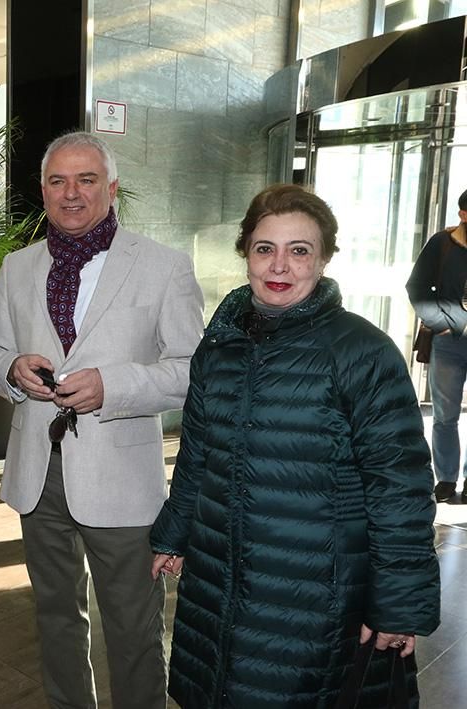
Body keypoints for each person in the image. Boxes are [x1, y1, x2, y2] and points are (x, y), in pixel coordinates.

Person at [151, 184, 440, 708]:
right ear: (246, 255)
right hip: (216, 579)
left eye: (299, 250)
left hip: (314, 596)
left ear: (324, 259)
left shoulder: (361, 352)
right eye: (265, 249)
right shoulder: (218, 348)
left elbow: (400, 488)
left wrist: (399, 605)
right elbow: (196, 454)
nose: (279, 265)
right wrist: (174, 533)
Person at [0, 131, 204, 709]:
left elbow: (190, 371)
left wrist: (114, 385)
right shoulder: (16, 267)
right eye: (57, 181)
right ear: (42, 190)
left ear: (111, 187)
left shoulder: (163, 267)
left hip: (123, 481)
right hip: (38, 474)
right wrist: (12, 369)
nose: (71, 193)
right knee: (56, 618)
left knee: (133, 627)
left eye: (86, 180)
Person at [406, 188, 467, 503]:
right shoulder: (441, 244)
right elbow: (416, 286)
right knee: (445, 415)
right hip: (449, 342)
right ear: (463, 214)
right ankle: (446, 479)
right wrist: (442, 322)